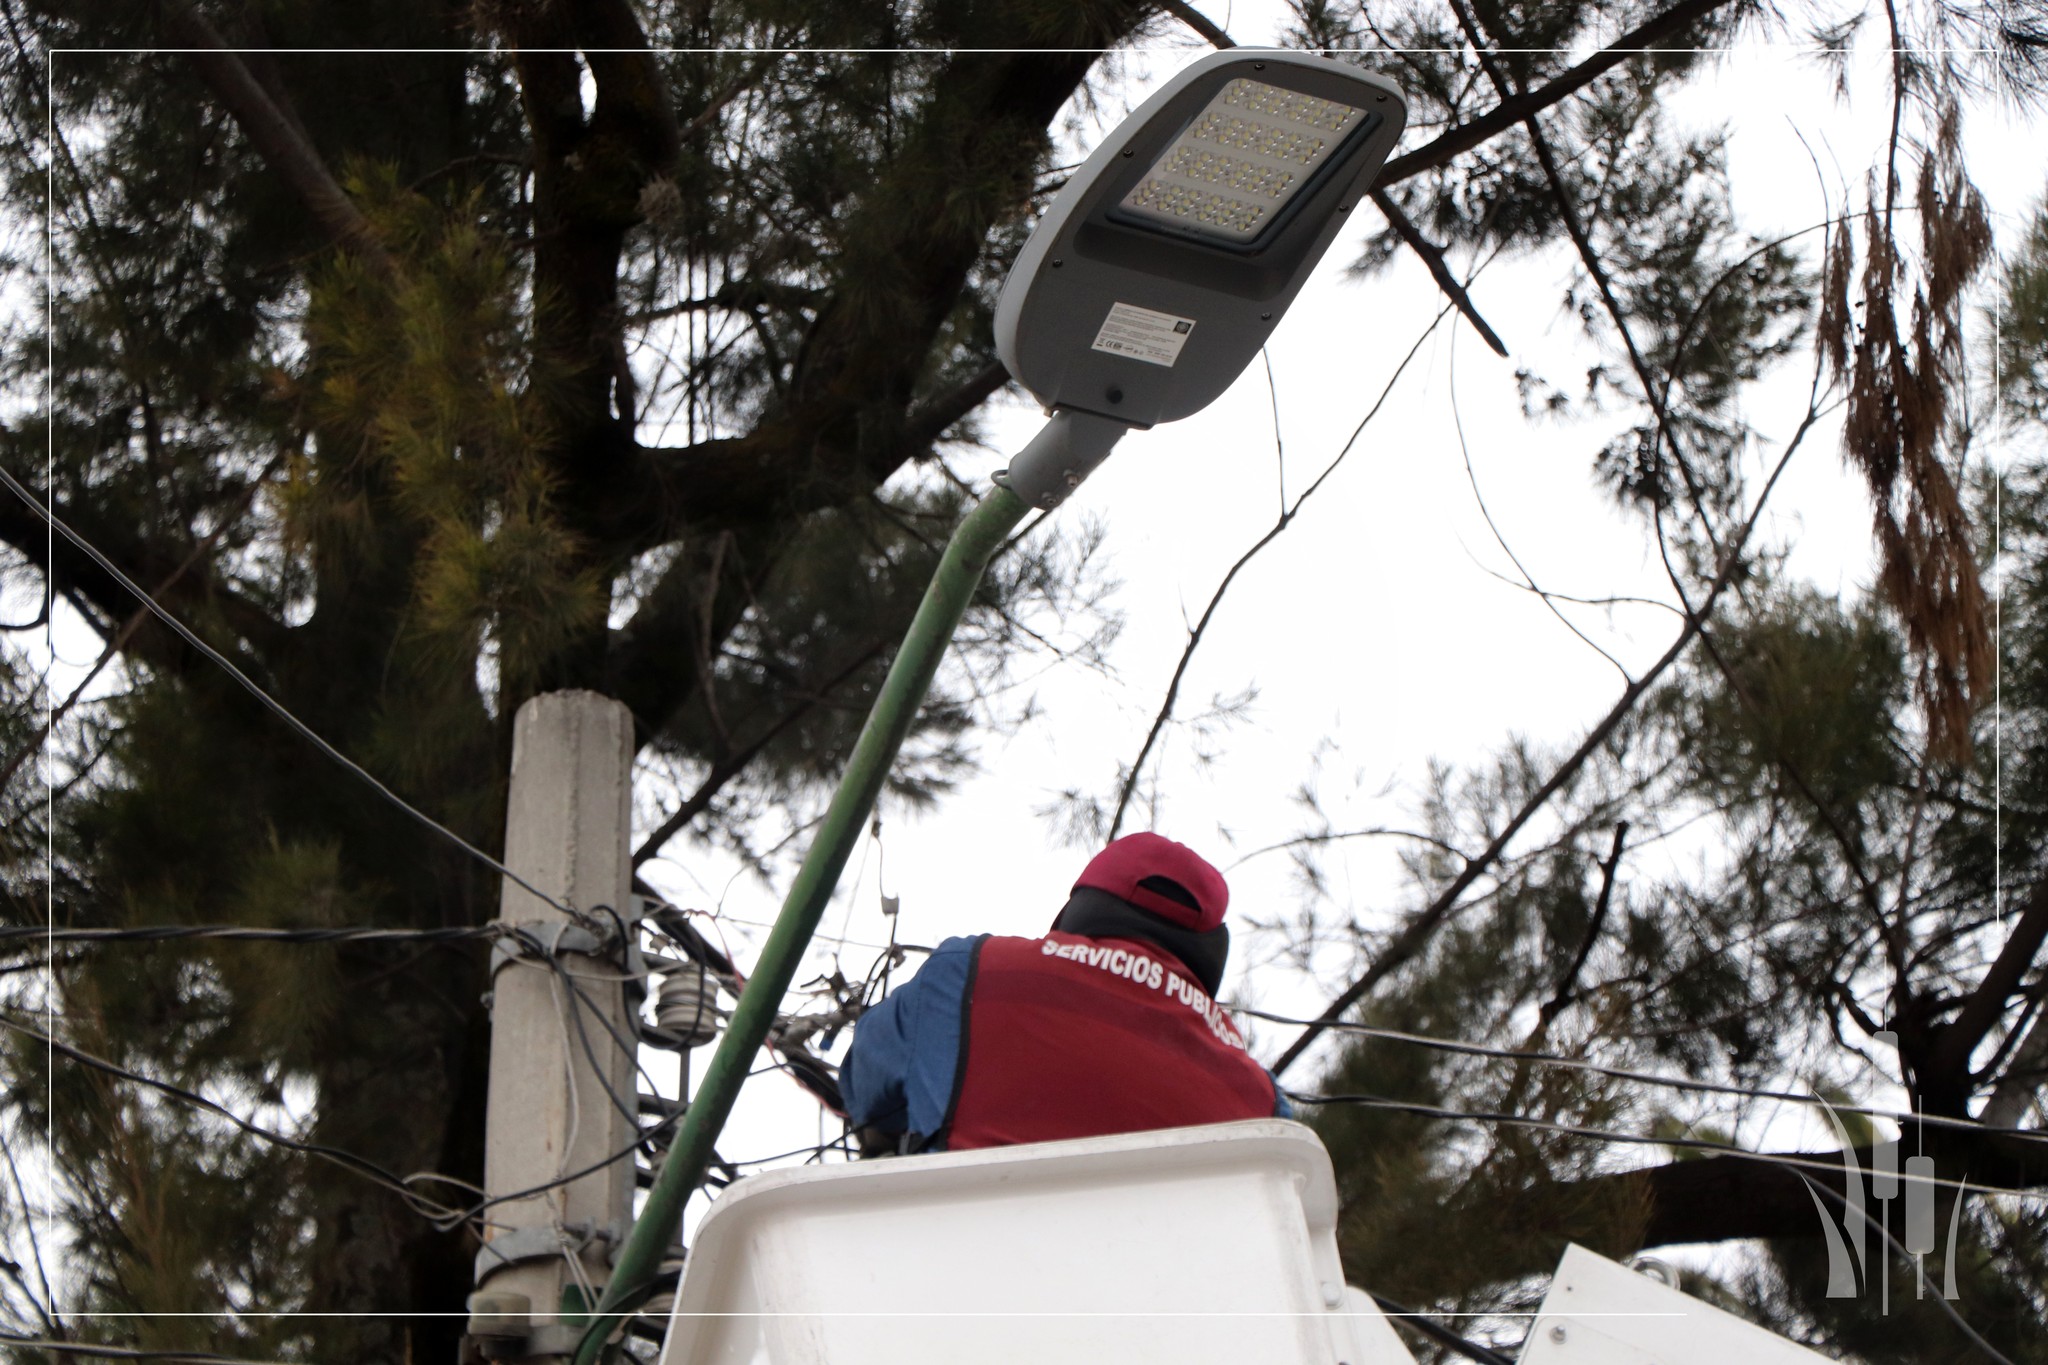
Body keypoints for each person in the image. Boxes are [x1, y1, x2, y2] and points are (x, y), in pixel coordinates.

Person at [840, 832, 1292, 1154]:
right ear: (1213, 950)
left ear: (1082, 905)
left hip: (960, 1270)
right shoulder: (1263, 1102)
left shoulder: (969, 972)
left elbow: (865, 1084)